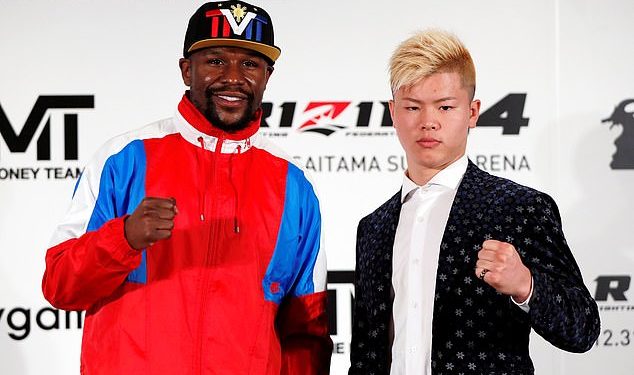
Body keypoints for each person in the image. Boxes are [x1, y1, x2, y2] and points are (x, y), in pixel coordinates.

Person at [42, 1, 332, 374]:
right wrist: (123, 239)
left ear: (267, 75)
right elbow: (60, 286)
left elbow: (306, 332)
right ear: (185, 70)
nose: (233, 77)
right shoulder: (123, 159)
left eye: (249, 63)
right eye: (215, 61)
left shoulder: (294, 185)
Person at [348, 29, 600, 375]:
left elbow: (583, 328)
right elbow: (365, 353)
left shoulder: (518, 207)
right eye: (412, 107)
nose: (428, 122)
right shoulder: (373, 227)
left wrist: (526, 285)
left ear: (472, 112)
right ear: (393, 112)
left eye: (445, 106)